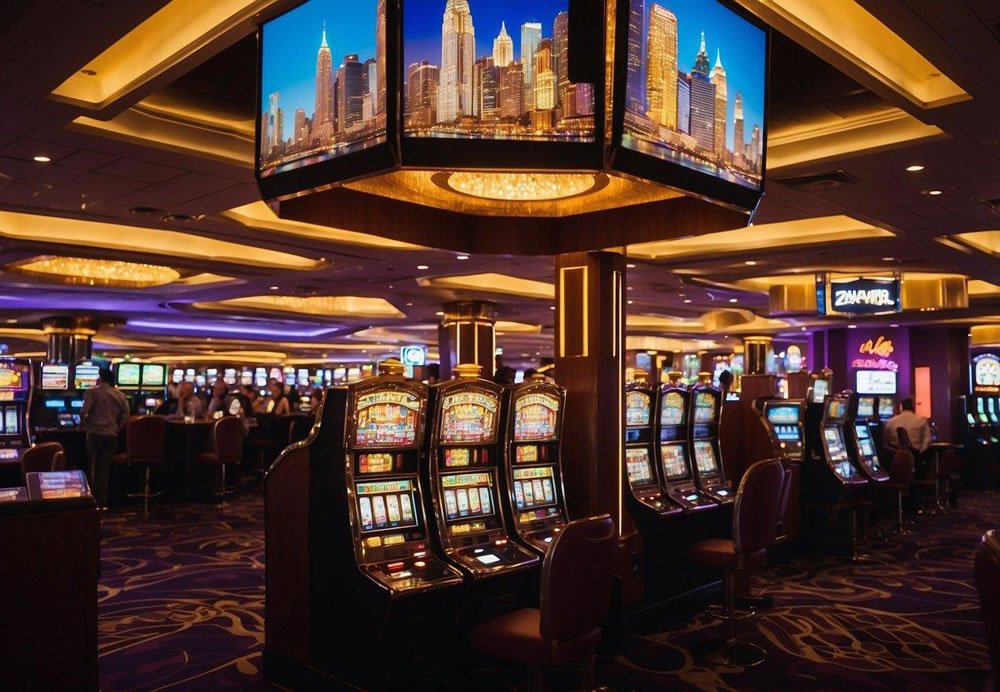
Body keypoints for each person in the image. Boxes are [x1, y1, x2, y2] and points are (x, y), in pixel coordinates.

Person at [80, 367, 129, 509]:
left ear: (100, 378)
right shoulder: (119, 394)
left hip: (95, 433)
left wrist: (83, 424)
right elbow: (126, 415)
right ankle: (103, 501)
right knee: (103, 468)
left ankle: (91, 500)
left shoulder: (92, 392)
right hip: (111, 434)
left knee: (92, 468)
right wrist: (118, 428)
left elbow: (84, 411)